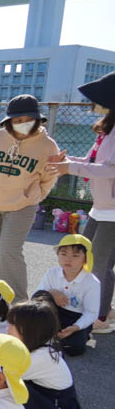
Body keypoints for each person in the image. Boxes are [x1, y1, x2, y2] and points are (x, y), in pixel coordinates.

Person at [46, 71, 115, 334]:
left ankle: (99, 319)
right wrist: (65, 162)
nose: (92, 103)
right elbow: (91, 162)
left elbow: (110, 169)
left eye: (97, 99)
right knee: (95, 260)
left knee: (99, 263)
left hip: (112, 209)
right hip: (102, 206)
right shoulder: (107, 130)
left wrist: (69, 168)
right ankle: (103, 310)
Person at [0, 94, 60, 300]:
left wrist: (34, 195)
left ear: (37, 120)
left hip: (23, 205)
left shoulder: (48, 146)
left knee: (9, 252)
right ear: (9, 121)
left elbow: (49, 177)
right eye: (17, 120)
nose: (22, 124)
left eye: (27, 120)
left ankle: (18, 304)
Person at [32, 234, 101, 357]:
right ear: (57, 255)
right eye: (63, 254)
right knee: (40, 299)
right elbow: (36, 296)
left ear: (86, 258)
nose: (68, 259)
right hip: (53, 313)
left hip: (76, 318)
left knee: (74, 348)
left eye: (75, 255)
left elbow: (91, 312)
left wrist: (76, 327)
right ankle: (49, 335)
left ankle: (81, 334)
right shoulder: (52, 273)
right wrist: (51, 292)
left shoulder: (92, 282)